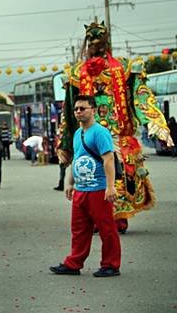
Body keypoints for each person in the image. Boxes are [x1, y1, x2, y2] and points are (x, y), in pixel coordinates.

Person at [57, 21, 174, 233]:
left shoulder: (123, 68)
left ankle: (116, 219)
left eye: (99, 40)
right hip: (89, 135)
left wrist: (154, 120)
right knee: (91, 177)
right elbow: (68, 111)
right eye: (91, 41)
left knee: (119, 177)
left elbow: (140, 96)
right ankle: (95, 219)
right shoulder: (76, 73)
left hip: (117, 133)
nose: (95, 45)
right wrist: (64, 142)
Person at [50, 95, 121, 277]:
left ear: (94, 110)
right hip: (81, 190)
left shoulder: (100, 132)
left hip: (98, 189)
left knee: (107, 229)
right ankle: (73, 263)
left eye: (83, 108)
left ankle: (111, 265)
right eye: (76, 109)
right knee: (79, 229)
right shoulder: (77, 133)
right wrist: (69, 182)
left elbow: (108, 159)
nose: (79, 112)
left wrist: (110, 187)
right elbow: (77, 159)